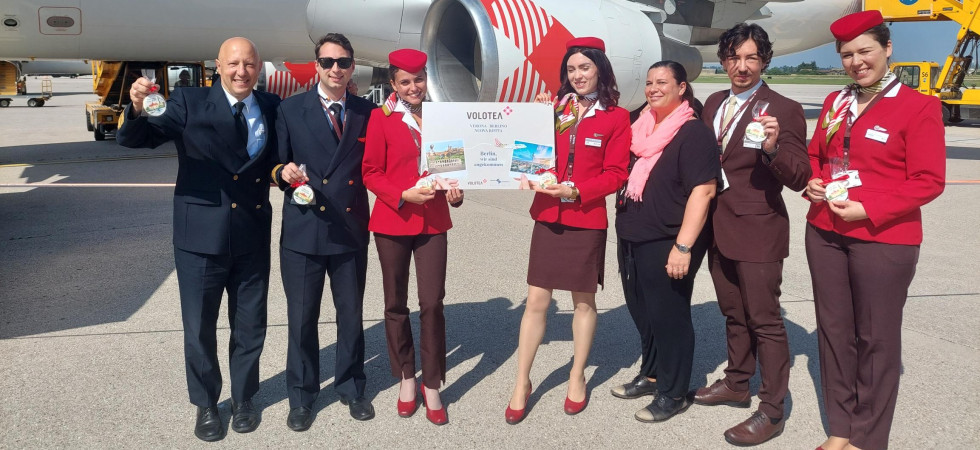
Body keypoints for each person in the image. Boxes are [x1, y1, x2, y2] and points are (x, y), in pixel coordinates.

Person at [117, 37, 280, 442]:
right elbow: (138, 138)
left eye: (249, 64)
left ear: (259, 67)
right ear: (217, 66)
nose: (241, 71)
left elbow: (280, 160)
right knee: (200, 328)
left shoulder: (271, 106)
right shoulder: (188, 102)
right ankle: (206, 403)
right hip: (200, 238)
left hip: (251, 234)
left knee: (250, 325)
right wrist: (136, 108)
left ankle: (244, 397)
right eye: (233, 63)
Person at [804, 11, 945, 450]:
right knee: (834, 332)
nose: (856, 62)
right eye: (847, 55)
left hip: (884, 237)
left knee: (876, 337)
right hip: (825, 231)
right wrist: (814, 182)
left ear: (887, 49)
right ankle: (841, 428)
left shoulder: (918, 106)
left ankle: (868, 438)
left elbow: (928, 180)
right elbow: (817, 155)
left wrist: (868, 208)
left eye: (865, 51)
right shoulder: (836, 102)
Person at [694, 23, 810, 446]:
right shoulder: (713, 103)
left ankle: (772, 409)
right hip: (718, 227)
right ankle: (737, 382)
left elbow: (800, 176)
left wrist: (773, 149)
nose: (741, 66)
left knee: (765, 321)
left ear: (764, 61)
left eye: (751, 58)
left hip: (759, 229)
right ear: (723, 60)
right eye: (733, 57)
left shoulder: (784, 108)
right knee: (733, 312)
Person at [505, 37, 630, 424]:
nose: (577, 75)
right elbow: (528, 158)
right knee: (536, 301)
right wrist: (536, 119)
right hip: (548, 216)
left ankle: (577, 375)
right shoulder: (554, 108)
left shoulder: (616, 117)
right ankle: (522, 381)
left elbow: (616, 174)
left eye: (585, 68)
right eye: (571, 69)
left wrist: (575, 191)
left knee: (583, 303)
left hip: (586, 218)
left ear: (600, 70)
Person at [271, 33, 377, 431]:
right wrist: (282, 173)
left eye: (343, 62)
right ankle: (302, 395)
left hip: (349, 229)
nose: (336, 68)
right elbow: (275, 163)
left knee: (350, 315)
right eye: (328, 62)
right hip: (305, 229)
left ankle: (351, 386)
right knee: (302, 319)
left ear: (352, 67)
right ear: (316, 66)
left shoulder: (369, 112)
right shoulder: (290, 109)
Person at [362, 48, 464, 426]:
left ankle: (431, 382)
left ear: (426, 79)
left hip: (433, 222)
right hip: (393, 219)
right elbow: (371, 171)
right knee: (395, 302)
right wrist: (402, 194)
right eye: (404, 81)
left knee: (432, 302)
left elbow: (452, 170)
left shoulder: (442, 118)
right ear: (393, 83)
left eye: (418, 79)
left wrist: (456, 192)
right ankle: (406, 374)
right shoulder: (381, 118)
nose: (413, 87)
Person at [612, 61, 719, 423]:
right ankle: (653, 373)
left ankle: (674, 392)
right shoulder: (641, 126)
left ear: (682, 87)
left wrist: (683, 247)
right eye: (649, 82)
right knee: (642, 311)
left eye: (662, 82)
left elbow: (704, 191)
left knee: (669, 315)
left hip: (668, 238)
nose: (653, 88)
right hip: (633, 234)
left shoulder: (693, 133)